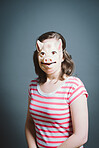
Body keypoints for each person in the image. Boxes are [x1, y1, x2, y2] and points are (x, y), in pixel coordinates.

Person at [25, 31, 88, 148]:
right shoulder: (33, 86)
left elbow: (81, 136)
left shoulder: (74, 86)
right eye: (42, 53)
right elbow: (29, 123)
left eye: (53, 52)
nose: (47, 58)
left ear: (62, 56)